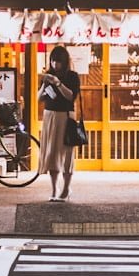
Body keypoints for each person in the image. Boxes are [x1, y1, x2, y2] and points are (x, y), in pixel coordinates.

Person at [37, 44, 80, 201]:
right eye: (53, 61)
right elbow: (39, 98)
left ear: (65, 61)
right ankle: (55, 190)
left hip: (66, 117)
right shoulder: (48, 75)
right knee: (51, 154)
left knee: (66, 155)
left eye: (58, 61)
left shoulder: (72, 76)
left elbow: (70, 97)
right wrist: (44, 84)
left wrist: (57, 83)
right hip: (50, 116)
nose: (55, 65)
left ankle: (66, 188)